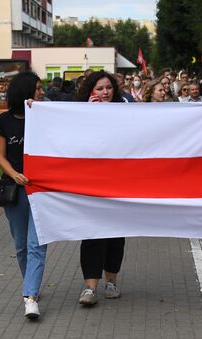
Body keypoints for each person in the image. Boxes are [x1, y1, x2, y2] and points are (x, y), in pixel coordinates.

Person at [0, 72, 47, 320]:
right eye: (37, 88)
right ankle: (31, 284)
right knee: (21, 245)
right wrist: (14, 174)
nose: (42, 92)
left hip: (42, 190)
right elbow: (0, 157)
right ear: (25, 91)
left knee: (37, 244)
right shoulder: (4, 120)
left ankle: (31, 297)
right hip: (15, 190)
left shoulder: (44, 115)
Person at [75, 71, 125, 305]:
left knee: (116, 234)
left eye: (108, 88)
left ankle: (111, 282)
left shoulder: (126, 111)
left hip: (118, 183)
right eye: (99, 88)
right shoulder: (80, 111)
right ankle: (89, 288)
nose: (105, 92)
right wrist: (87, 113)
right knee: (92, 233)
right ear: (91, 91)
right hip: (91, 183)